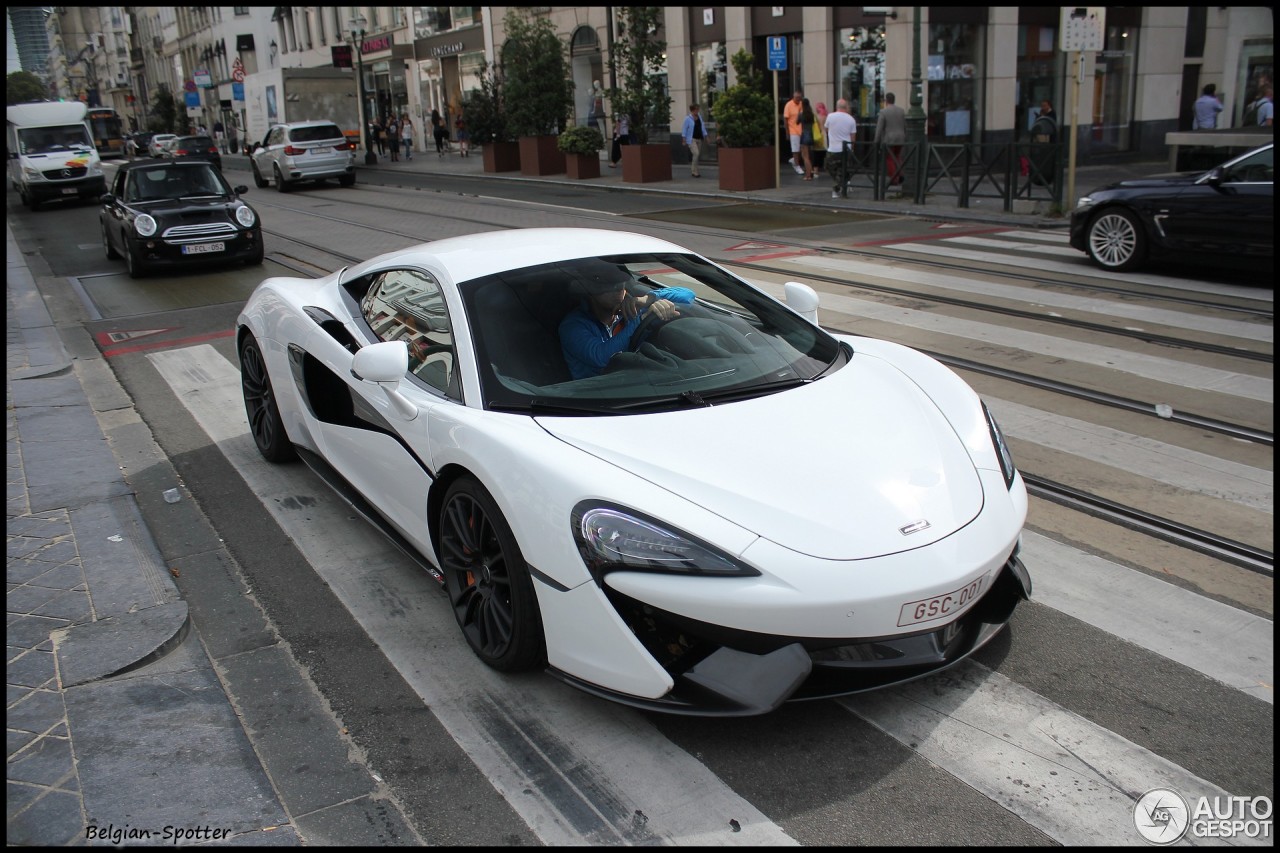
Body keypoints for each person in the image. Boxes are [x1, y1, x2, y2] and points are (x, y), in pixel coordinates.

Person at [558, 259, 697, 380]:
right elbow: (601, 357)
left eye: (621, 286)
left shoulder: (630, 309)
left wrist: (648, 299)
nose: (619, 293)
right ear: (592, 291)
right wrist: (642, 318)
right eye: (611, 287)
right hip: (593, 395)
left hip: (634, 381)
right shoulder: (572, 326)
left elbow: (688, 295)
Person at [823, 99, 858, 199]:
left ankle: (839, 186)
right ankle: (842, 185)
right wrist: (852, 149)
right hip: (845, 149)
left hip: (833, 148)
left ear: (836, 106)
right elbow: (853, 138)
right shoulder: (851, 119)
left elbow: (826, 129)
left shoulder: (830, 116)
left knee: (830, 168)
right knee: (844, 170)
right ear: (846, 107)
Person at [875, 92, 907, 186]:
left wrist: (876, 141)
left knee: (889, 158)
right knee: (897, 156)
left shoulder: (883, 112)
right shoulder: (901, 111)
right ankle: (900, 174)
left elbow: (879, 128)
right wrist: (905, 136)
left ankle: (894, 178)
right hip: (901, 138)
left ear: (886, 101)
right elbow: (905, 126)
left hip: (889, 139)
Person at [1030, 100, 1057, 187]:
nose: (1043, 107)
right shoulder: (1043, 114)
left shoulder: (1052, 114)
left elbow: (1050, 124)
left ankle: (1048, 177)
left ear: (1049, 106)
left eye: (1045, 106)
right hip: (1042, 141)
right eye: (1042, 106)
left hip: (1049, 140)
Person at [783, 90, 805, 175]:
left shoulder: (801, 104)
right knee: (795, 149)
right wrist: (787, 132)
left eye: (799, 98)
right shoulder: (788, 105)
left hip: (801, 130)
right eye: (796, 98)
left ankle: (794, 160)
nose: (798, 100)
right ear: (793, 97)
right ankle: (797, 165)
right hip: (793, 130)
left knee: (800, 149)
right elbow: (785, 119)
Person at [681, 103, 706, 178]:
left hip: (699, 138)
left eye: (698, 109)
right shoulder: (687, 118)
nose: (697, 111)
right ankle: (695, 172)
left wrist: (706, 135)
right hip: (692, 139)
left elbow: (702, 127)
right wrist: (684, 139)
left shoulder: (699, 117)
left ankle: (693, 170)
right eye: (696, 109)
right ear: (692, 110)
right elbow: (684, 129)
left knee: (696, 156)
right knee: (696, 153)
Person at [797, 98, 816, 180]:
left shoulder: (801, 114)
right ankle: (811, 172)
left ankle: (808, 175)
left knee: (805, 156)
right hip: (811, 135)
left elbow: (797, 122)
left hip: (805, 134)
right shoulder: (811, 114)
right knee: (809, 155)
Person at [813, 102, 829, 170]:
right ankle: (824, 166)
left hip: (818, 135)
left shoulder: (816, 117)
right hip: (824, 135)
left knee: (816, 153)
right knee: (824, 152)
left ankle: (816, 169)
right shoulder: (826, 116)